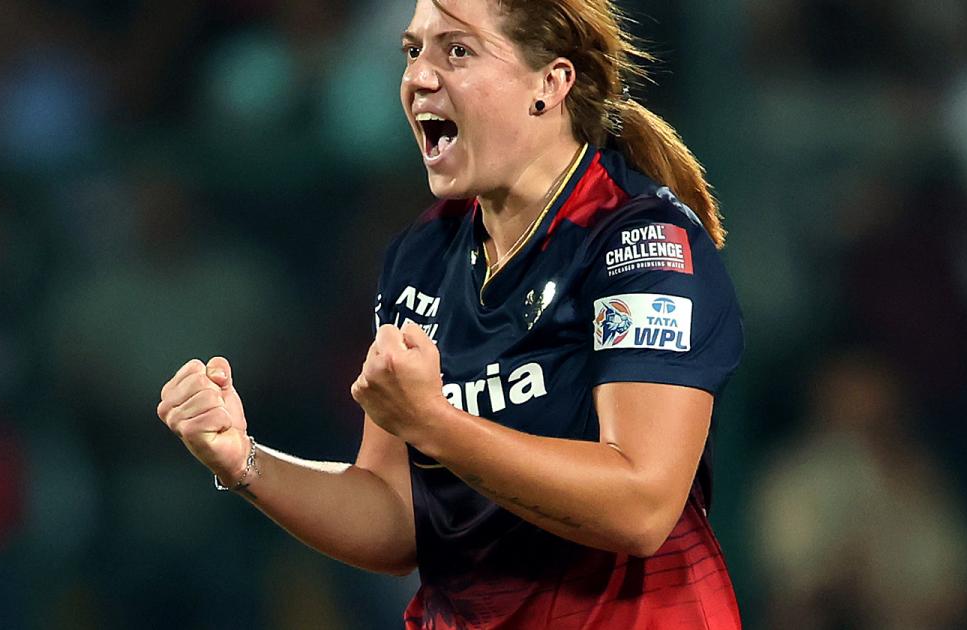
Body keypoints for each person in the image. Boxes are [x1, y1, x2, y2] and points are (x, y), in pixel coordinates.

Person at [156, 0, 744, 627]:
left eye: (457, 51)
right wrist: (245, 461)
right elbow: (396, 519)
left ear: (550, 84)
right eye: (413, 51)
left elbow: (641, 505)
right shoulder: (423, 254)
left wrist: (435, 424)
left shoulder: (640, 242)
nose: (418, 77)